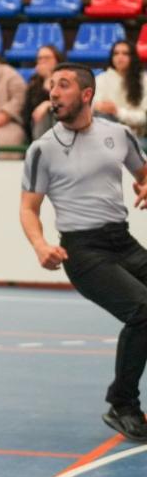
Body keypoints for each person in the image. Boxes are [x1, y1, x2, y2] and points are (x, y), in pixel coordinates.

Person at [20, 62, 147, 442]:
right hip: (83, 250)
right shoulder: (42, 150)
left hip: (120, 240)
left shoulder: (120, 135)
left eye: (63, 85)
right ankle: (121, 404)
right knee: (143, 309)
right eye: (51, 86)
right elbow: (28, 208)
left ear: (86, 94)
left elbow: (143, 174)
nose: (53, 93)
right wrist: (41, 245)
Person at [94, 41, 147, 138]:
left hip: (135, 134)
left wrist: (117, 111)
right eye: (116, 53)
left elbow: (143, 118)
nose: (120, 57)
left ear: (133, 57)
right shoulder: (101, 79)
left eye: (125, 53)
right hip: (107, 134)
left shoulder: (144, 80)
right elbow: (94, 110)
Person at [22, 45, 63, 142]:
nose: (43, 61)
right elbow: (29, 112)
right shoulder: (33, 83)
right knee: (44, 116)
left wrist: (48, 104)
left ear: (57, 60)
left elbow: (66, 104)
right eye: (40, 58)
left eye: (47, 58)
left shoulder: (66, 80)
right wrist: (46, 81)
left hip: (61, 122)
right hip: (37, 126)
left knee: (53, 112)